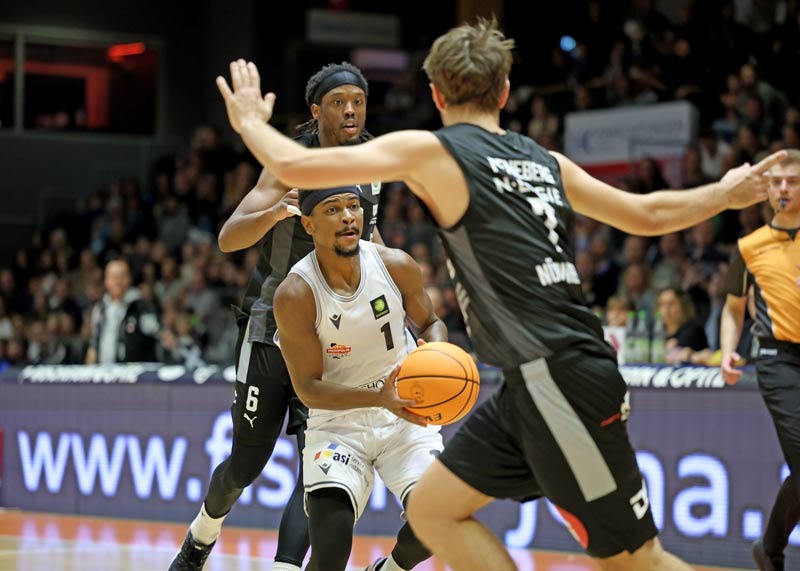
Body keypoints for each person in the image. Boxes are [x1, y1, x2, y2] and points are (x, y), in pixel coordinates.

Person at [215, 18, 785, 571]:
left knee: (636, 561)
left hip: (562, 378)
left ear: (437, 96)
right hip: (529, 382)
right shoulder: (546, 160)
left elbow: (296, 164)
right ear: (506, 91)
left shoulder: (435, 152)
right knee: (434, 513)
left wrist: (249, 122)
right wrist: (722, 193)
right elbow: (647, 214)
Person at [170, 61, 383, 571]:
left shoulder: (374, 162)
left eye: (358, 101)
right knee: (246, 462)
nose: (350, 110)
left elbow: (371, 245)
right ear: (317, 110)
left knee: (319, 469)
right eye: (338, 102)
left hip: (334, 337)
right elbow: (229, 238)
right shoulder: (291, 160)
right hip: (271, 329)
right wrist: (274, 213)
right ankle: (201, 536)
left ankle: (285, 566)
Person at [273, 187, 447, 571]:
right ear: (308, 224)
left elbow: (431, 323)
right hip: (339, 424)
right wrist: (378, 398)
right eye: (333, 209)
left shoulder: (396, 265)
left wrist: (437, 355)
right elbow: (307, 389)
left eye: (353, 206)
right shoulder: (296, 293)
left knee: (439, 517)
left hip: (404, 415)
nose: (348, 216)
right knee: (331, 553)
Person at [720, 150, 800, 571]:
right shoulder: (749, 247)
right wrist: (728, 349)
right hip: (776, 358)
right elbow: (733, 308)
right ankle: (771, 549)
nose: (784, 188)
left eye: (793, 181)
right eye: (776, 182)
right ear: (766, 190)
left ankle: (769, 549)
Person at [85, 258, 160, 364]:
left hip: (134, 371)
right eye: (113, 276)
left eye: (121, 276)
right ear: (106, 280)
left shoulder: (141, 307)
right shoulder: (100, 309)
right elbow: (94, 345)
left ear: (129, 279)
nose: (117, 281)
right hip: (104, 370)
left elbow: (158, 333)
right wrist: (89, 371)